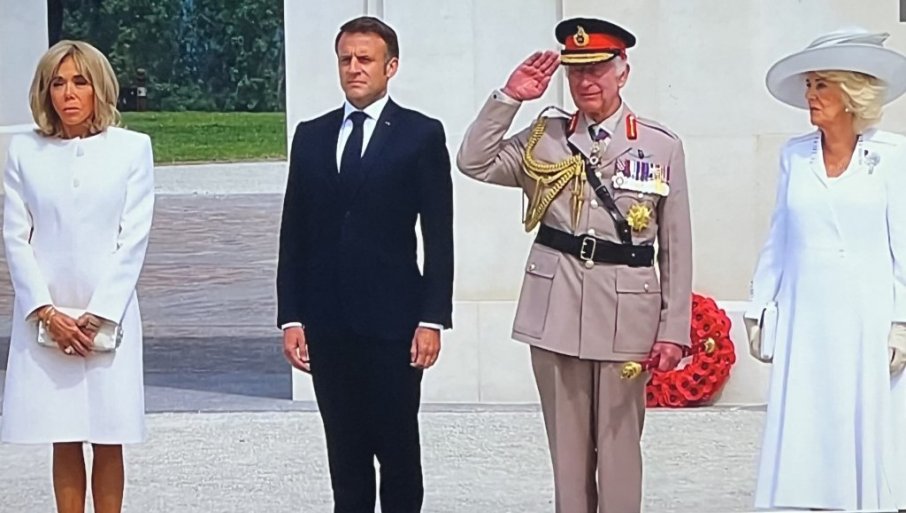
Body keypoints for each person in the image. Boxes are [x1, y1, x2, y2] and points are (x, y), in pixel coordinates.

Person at [456, 17, 692, 513]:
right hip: (558, 307)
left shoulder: (659, 144)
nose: (586, 81)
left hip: (626, 311)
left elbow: (676, 245)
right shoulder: (545, 137)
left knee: (620, 449)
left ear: (623, 72)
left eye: (597, 69)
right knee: (567, 454)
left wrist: (674, 329)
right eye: (576, 71)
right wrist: (510, 97)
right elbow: (474, 161)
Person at [275, 16, 454, 513]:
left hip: (394, 324)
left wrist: (432, 318)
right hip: (328, 324)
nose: (354, 68)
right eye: (345, 59)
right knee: (345, 454)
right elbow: (294, 234)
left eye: (365, 59)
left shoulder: (419, 135)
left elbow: (439, 236)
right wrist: (291, 316)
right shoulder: (311, 136)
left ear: (390, 67)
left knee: (397, 453)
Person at [746, 27, 906, 511]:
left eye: (821, 85)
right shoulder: (795, 155)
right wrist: (759, 305)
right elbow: (780, 237)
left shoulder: (893, 157)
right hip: (806, 317)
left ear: (852, 93)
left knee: (866, 430)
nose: (810, 96)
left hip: (867, 320)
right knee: (806, 423)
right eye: (809, 85)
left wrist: (902, 322)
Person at [0, 40, 155, 513]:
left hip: (110, 315)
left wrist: (100, 313)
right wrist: (46, 312)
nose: (68, 93)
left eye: (80, 82)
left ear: (98, 88)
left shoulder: (132, 149)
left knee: (109, 435)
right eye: (58, 83)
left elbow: (133, 236)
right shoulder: (24, 150)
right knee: (61, 434)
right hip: (45, 315)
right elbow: (15, 236)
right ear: (45, 92)